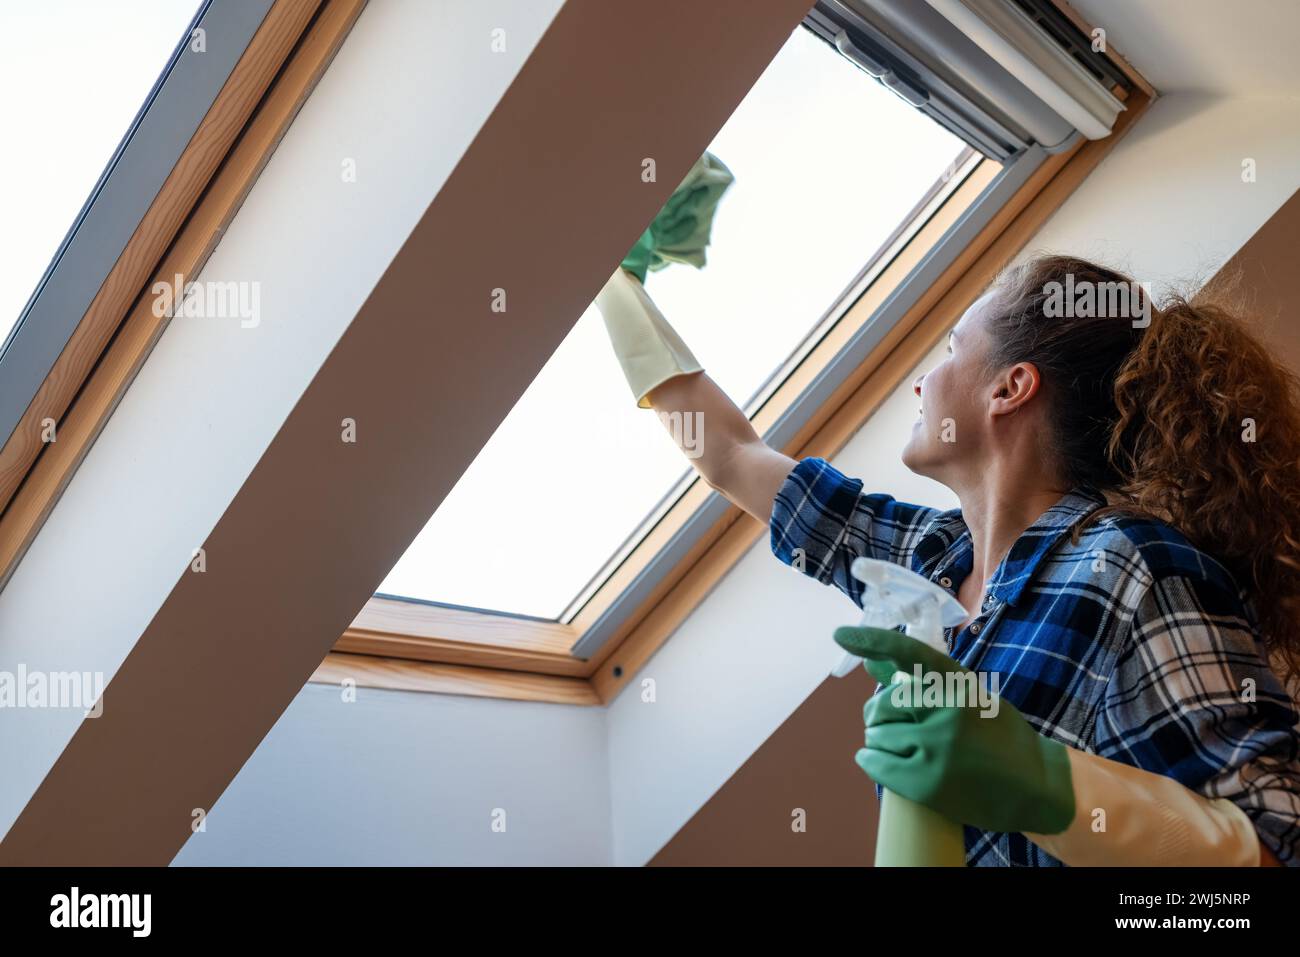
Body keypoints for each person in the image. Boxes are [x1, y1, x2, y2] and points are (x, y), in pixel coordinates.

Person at [595, 249, 1300, 866]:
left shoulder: (1131, 568)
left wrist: (1051, 787)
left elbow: (1278, 846)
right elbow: (731, 457)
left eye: (950, 350)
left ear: (1008, 388)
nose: (921, 382)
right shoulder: (927, 559)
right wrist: (614, 284)